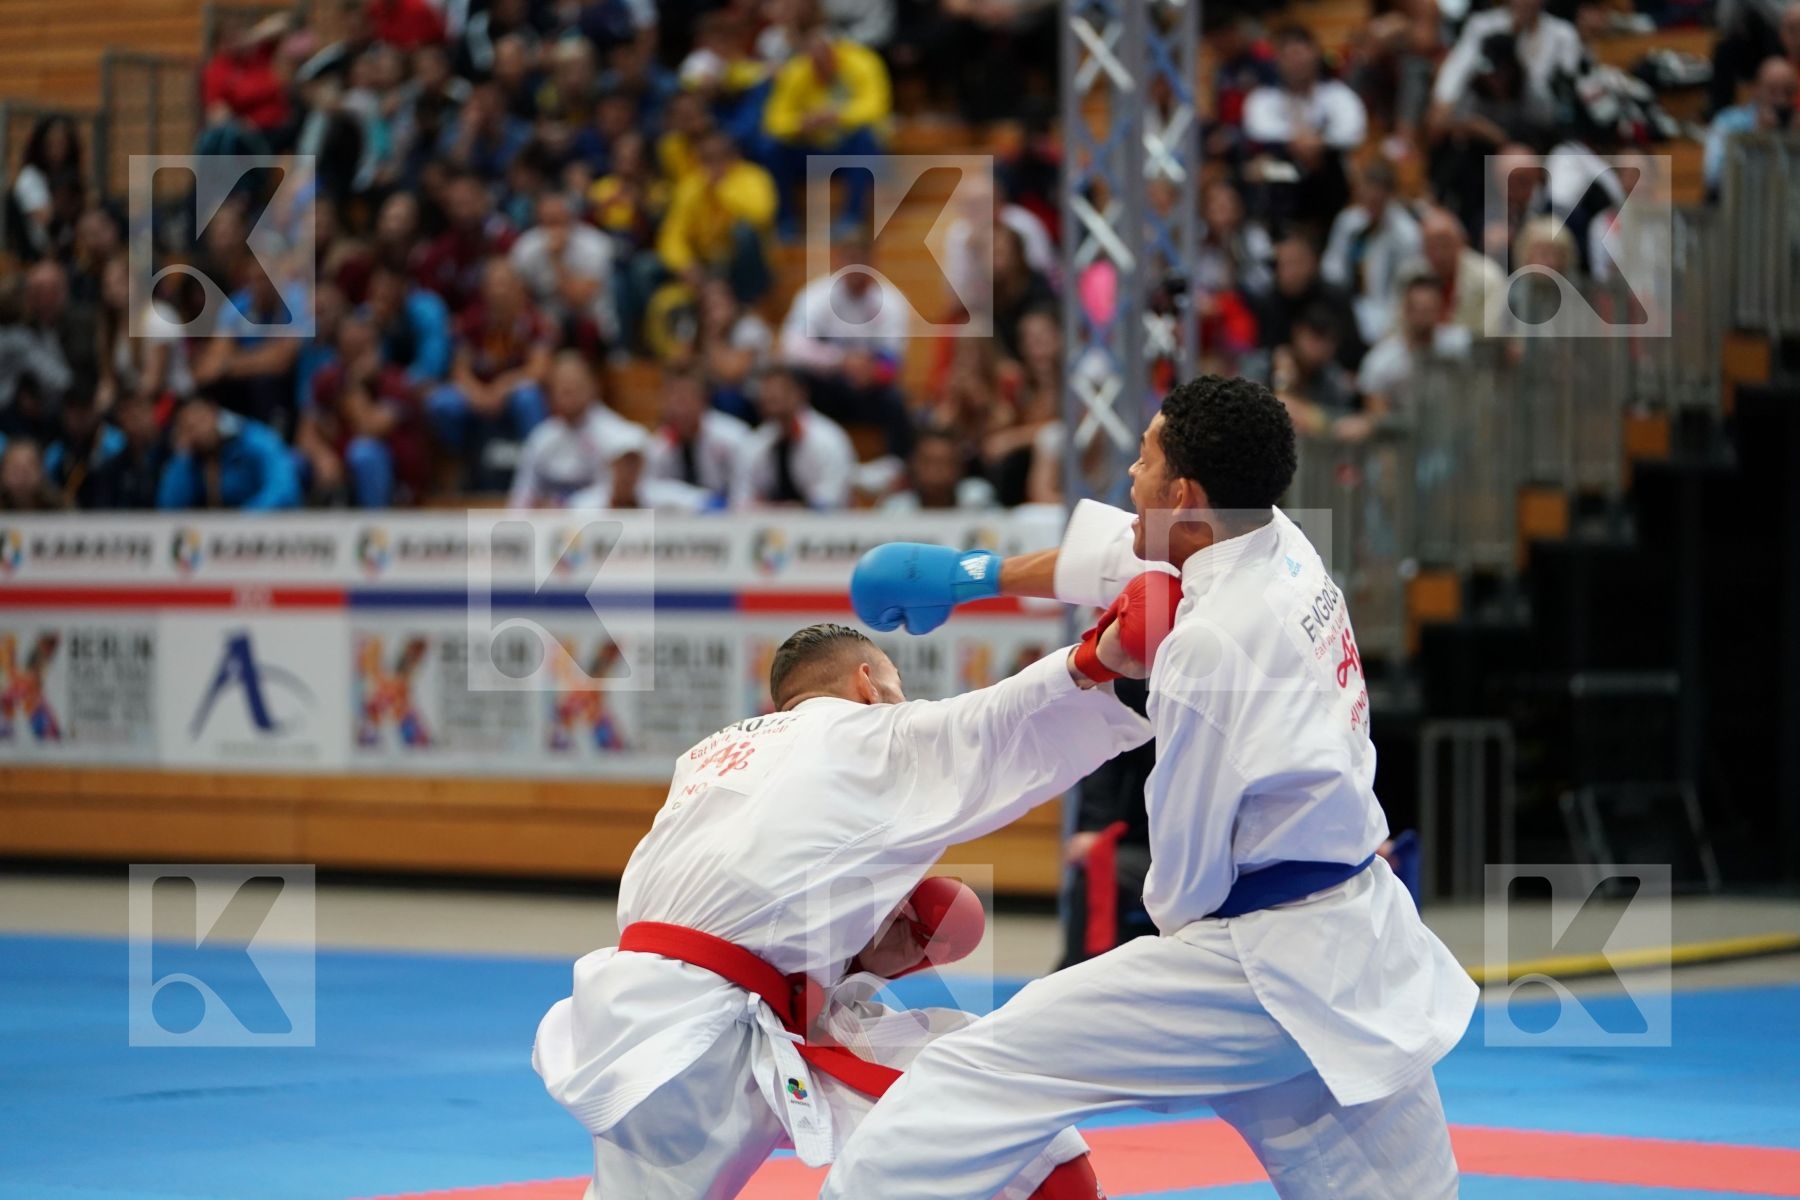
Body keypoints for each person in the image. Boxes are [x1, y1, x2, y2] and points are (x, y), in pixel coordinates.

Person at [830, 374, 1477, 1200]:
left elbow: (1187, 871)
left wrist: (1164, 954)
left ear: (1186, 494)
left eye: (1143, 462)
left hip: (1253, 962)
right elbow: (1122, 555)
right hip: (1355, 941)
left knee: (977, 1071)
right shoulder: (1282, 543)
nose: (1129, 479)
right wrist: (974, 573)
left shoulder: (1210, 647)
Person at [532, 621, 1152, 1199]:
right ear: (866, 684)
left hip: (638, 1015)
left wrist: (858, 955)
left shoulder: (710, 755)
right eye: (898, 689)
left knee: (1002, 1118)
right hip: (711, 1036)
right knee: (1009, 1129)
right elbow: (995, 718)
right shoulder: (863, 729)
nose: (903, 704)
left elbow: (749, 894)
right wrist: (1100, 655)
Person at [509, 351, 650, 509]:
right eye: (563, 387)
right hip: (549, 527)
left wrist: (565, 506)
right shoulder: (541, 438)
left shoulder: (619, 436)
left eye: (575, 385)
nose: (569, 393)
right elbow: (521, 498)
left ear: (593, 387)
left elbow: (620, 496)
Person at [732, 365, 856, 510]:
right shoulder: (756, 442)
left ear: (801, 393)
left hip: (820, 528)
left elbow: (830, 501)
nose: (772, 395)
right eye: (766, 390)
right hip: (765, 525)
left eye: (780, 390)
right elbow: (740, 500)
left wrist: (789, 510)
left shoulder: (828, 440)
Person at [157, 397, 301, 511]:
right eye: (189, 427)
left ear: (215, 413)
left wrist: (243, 519)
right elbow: (169, 507)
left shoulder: (253, 438)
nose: (198, 430)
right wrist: (182, 457)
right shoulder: (190, 459)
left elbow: (284, 488)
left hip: (259, 527)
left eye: (201, 419)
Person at [640, 363, 751, 510]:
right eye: (671, 398)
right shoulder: (658, 445)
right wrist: (697, 500)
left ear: (703, 400)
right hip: (680, 523)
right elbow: (648, 491)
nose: (678, 408)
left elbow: (747, 491)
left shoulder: (733, 438)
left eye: (684, 399)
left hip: (732, 519)